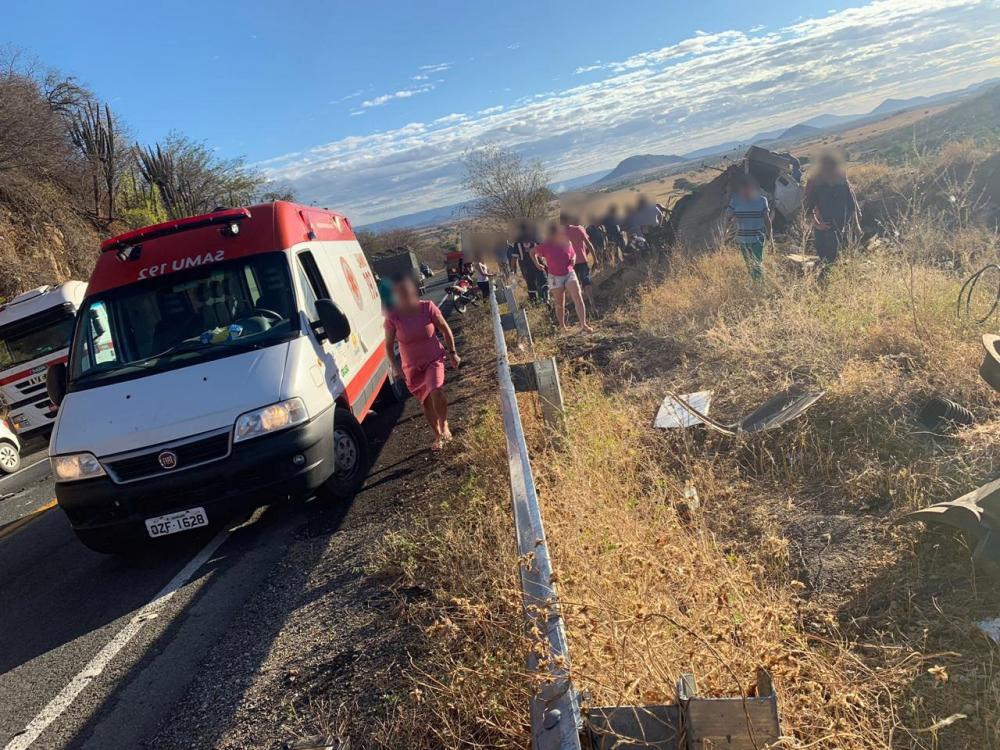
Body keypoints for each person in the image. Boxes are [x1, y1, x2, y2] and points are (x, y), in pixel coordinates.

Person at [383, 276, 460, 452]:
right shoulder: (393, 317)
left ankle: (444, 423)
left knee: (436, 390)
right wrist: (396, 369)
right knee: (426, 402)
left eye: (407, 293)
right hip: (412, 367)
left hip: (433, 358)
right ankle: (438, 435)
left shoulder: (427, 307)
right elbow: (388, 347)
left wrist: (453, 353)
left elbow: (445, 329)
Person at [804, 152, 862, 274]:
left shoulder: (841, 181)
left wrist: (856, 224)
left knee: (842, 258)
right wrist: (817, 224)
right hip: (826, 230)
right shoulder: (816, 184)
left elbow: (851, 204)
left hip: (843, 227)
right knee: (828, 262)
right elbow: (808, 208)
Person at [533, 223, 593, 333]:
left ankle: (583, 324)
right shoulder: (545, 245)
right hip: (555, 277)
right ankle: (562, 327)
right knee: (560, 303)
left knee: (578, 297)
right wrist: (537, 264)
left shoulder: (566, 242)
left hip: (569, 273)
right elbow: (532, 252)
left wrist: (574, 258)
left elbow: (573, 253)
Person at [726, 175, 773, 281]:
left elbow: (767, 219)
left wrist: (770, 235)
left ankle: (760, 285)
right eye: (742, 189)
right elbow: (728, 217)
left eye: (748, 188)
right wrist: (730, 223)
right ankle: (756, 283)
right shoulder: (735, 200)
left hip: (758, 239)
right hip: (743, 239)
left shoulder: (762, 200)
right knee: (749, 264)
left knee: (757, 263)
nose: (745, 192)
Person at [560, 213, 599, 315]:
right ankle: (593, 305)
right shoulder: (578, 229)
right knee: (586, 281)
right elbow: (588, 244)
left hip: (569, 264)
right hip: (582, 260)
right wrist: (595, 259)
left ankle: (581, 308)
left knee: (575, 286)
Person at [510, 221, 547, 301]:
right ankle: (545, 299)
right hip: (538, 264)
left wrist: (512, 269)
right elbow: (544, 249)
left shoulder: (517, 242)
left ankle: (535, 302)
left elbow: (514, 257)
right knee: (543, 281)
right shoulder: (535, 238)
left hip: (525, 267)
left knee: (530, 284)